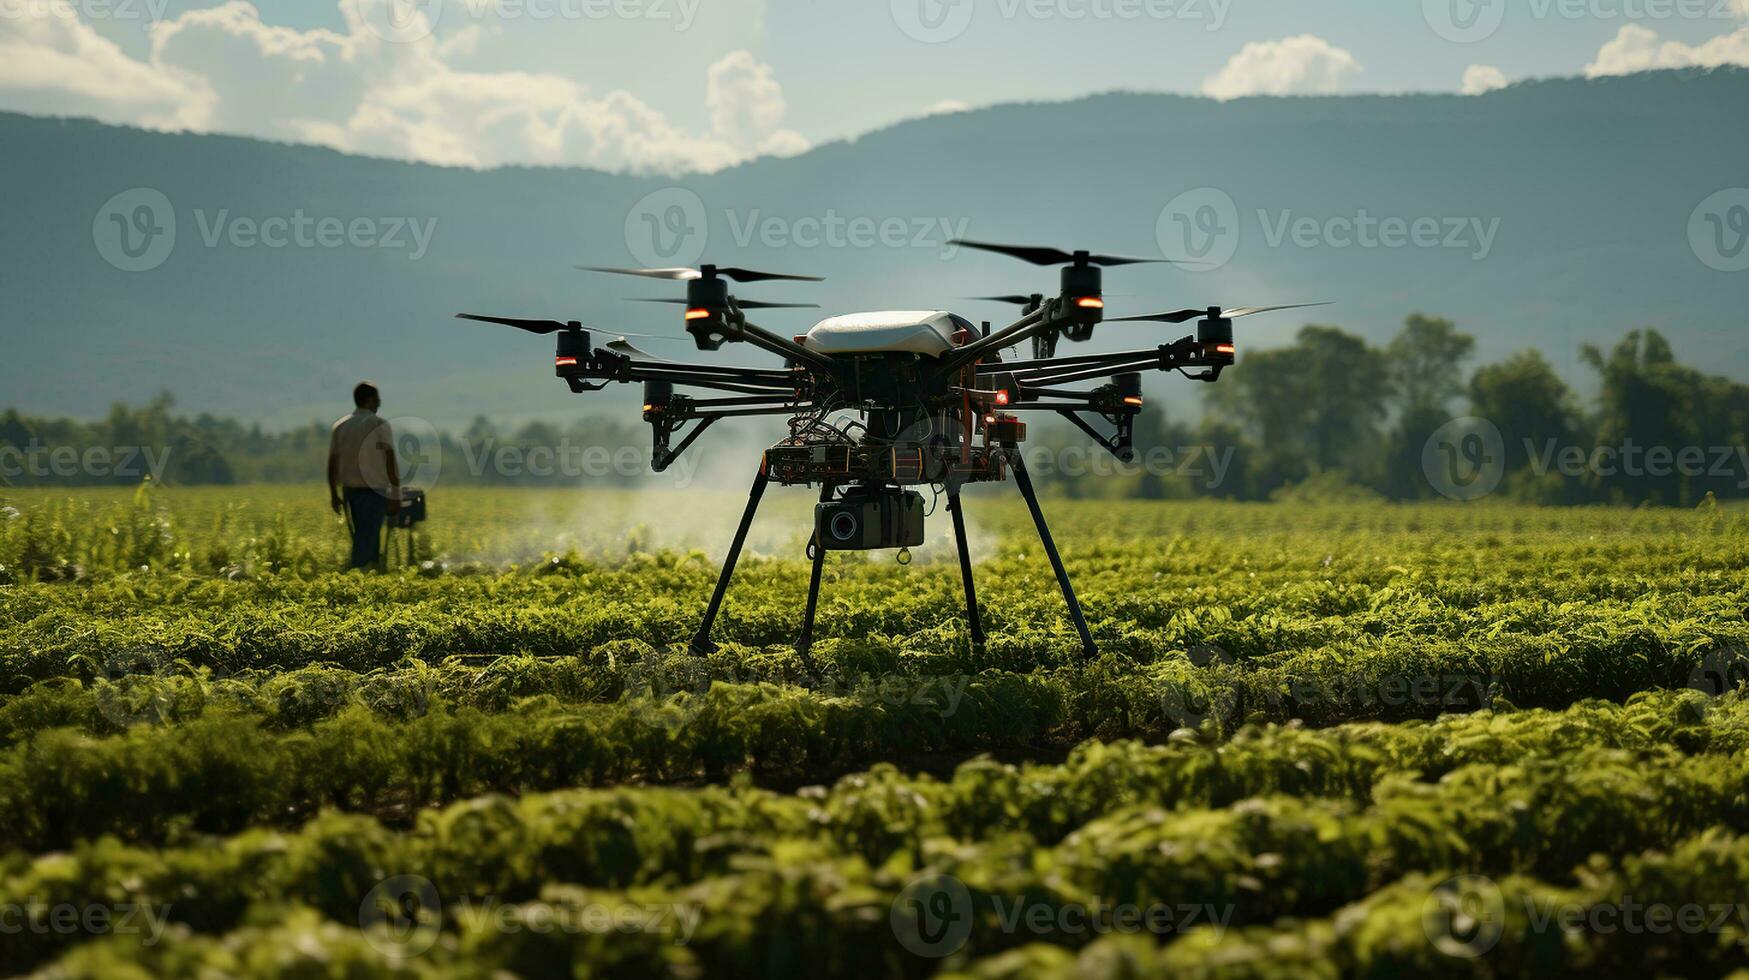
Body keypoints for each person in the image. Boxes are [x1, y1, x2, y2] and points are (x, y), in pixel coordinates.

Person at [328, 382, 400, 569]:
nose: (379, 404)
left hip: (350, 490)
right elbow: (390, 460)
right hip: (375, 490)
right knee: (367, 535)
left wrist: (334, 494)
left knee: (365, 532)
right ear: (369, 401)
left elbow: (332, 463)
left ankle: (370, 569)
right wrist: (395, 493)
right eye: (376, 400)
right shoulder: (379, 425)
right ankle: (359, 570)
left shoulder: (340, 426)